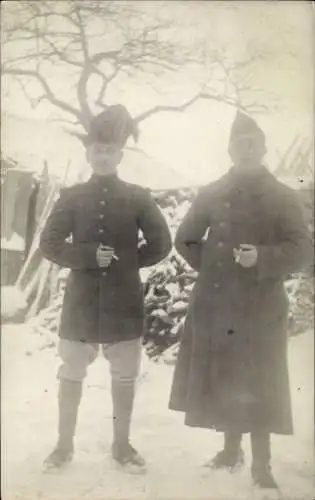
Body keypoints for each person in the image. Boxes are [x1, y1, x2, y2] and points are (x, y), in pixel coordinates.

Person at [168, 111, 313, 489]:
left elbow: (303, 250)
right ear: (230, 150)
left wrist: (262, 258)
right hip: (218, 303)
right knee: (228, 376)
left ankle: (261, 466)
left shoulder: (283, 196)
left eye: (253, 144)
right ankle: (231, 451)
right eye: (239, 144)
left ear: (263, 149)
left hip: (262, 306)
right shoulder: (212, 193)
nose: (246, 150)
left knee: (260, 381)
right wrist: (215, 268)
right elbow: (185, 238)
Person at [40, 104, 172, 471]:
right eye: (97, 150)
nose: (103, 156)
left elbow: (161, 243)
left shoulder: (138, 197)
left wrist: (125, 263)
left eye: (110, 151)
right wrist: (85, 256)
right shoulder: (72, 197)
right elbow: (48, 243)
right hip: (81, 301)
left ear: (119, 155)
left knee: (125, 374)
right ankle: (63, 446)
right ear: (88, 153)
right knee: (71, 371)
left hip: (123, 301)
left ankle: (122, 446)